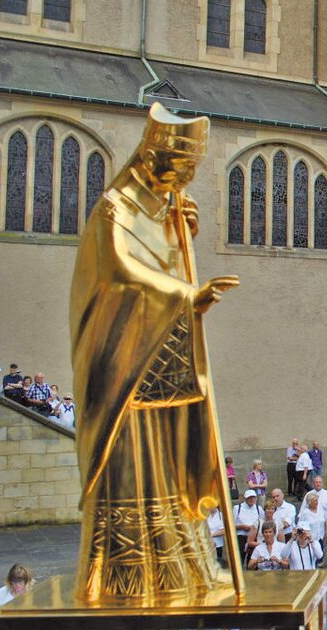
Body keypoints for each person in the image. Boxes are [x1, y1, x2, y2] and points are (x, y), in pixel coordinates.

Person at [68, 103, 242, 599]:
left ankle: (179, 564)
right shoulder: (114, 208)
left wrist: (179, 232)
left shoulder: (162, 208)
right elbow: (121, 275)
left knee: (163, 462)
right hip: (122, 364)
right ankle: (127, 574)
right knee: (131, 461)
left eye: (191, 171)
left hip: (154, 362)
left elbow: (162, 265)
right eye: (182, 169)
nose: (186, 178)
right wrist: (189, 296)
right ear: (151, 159)